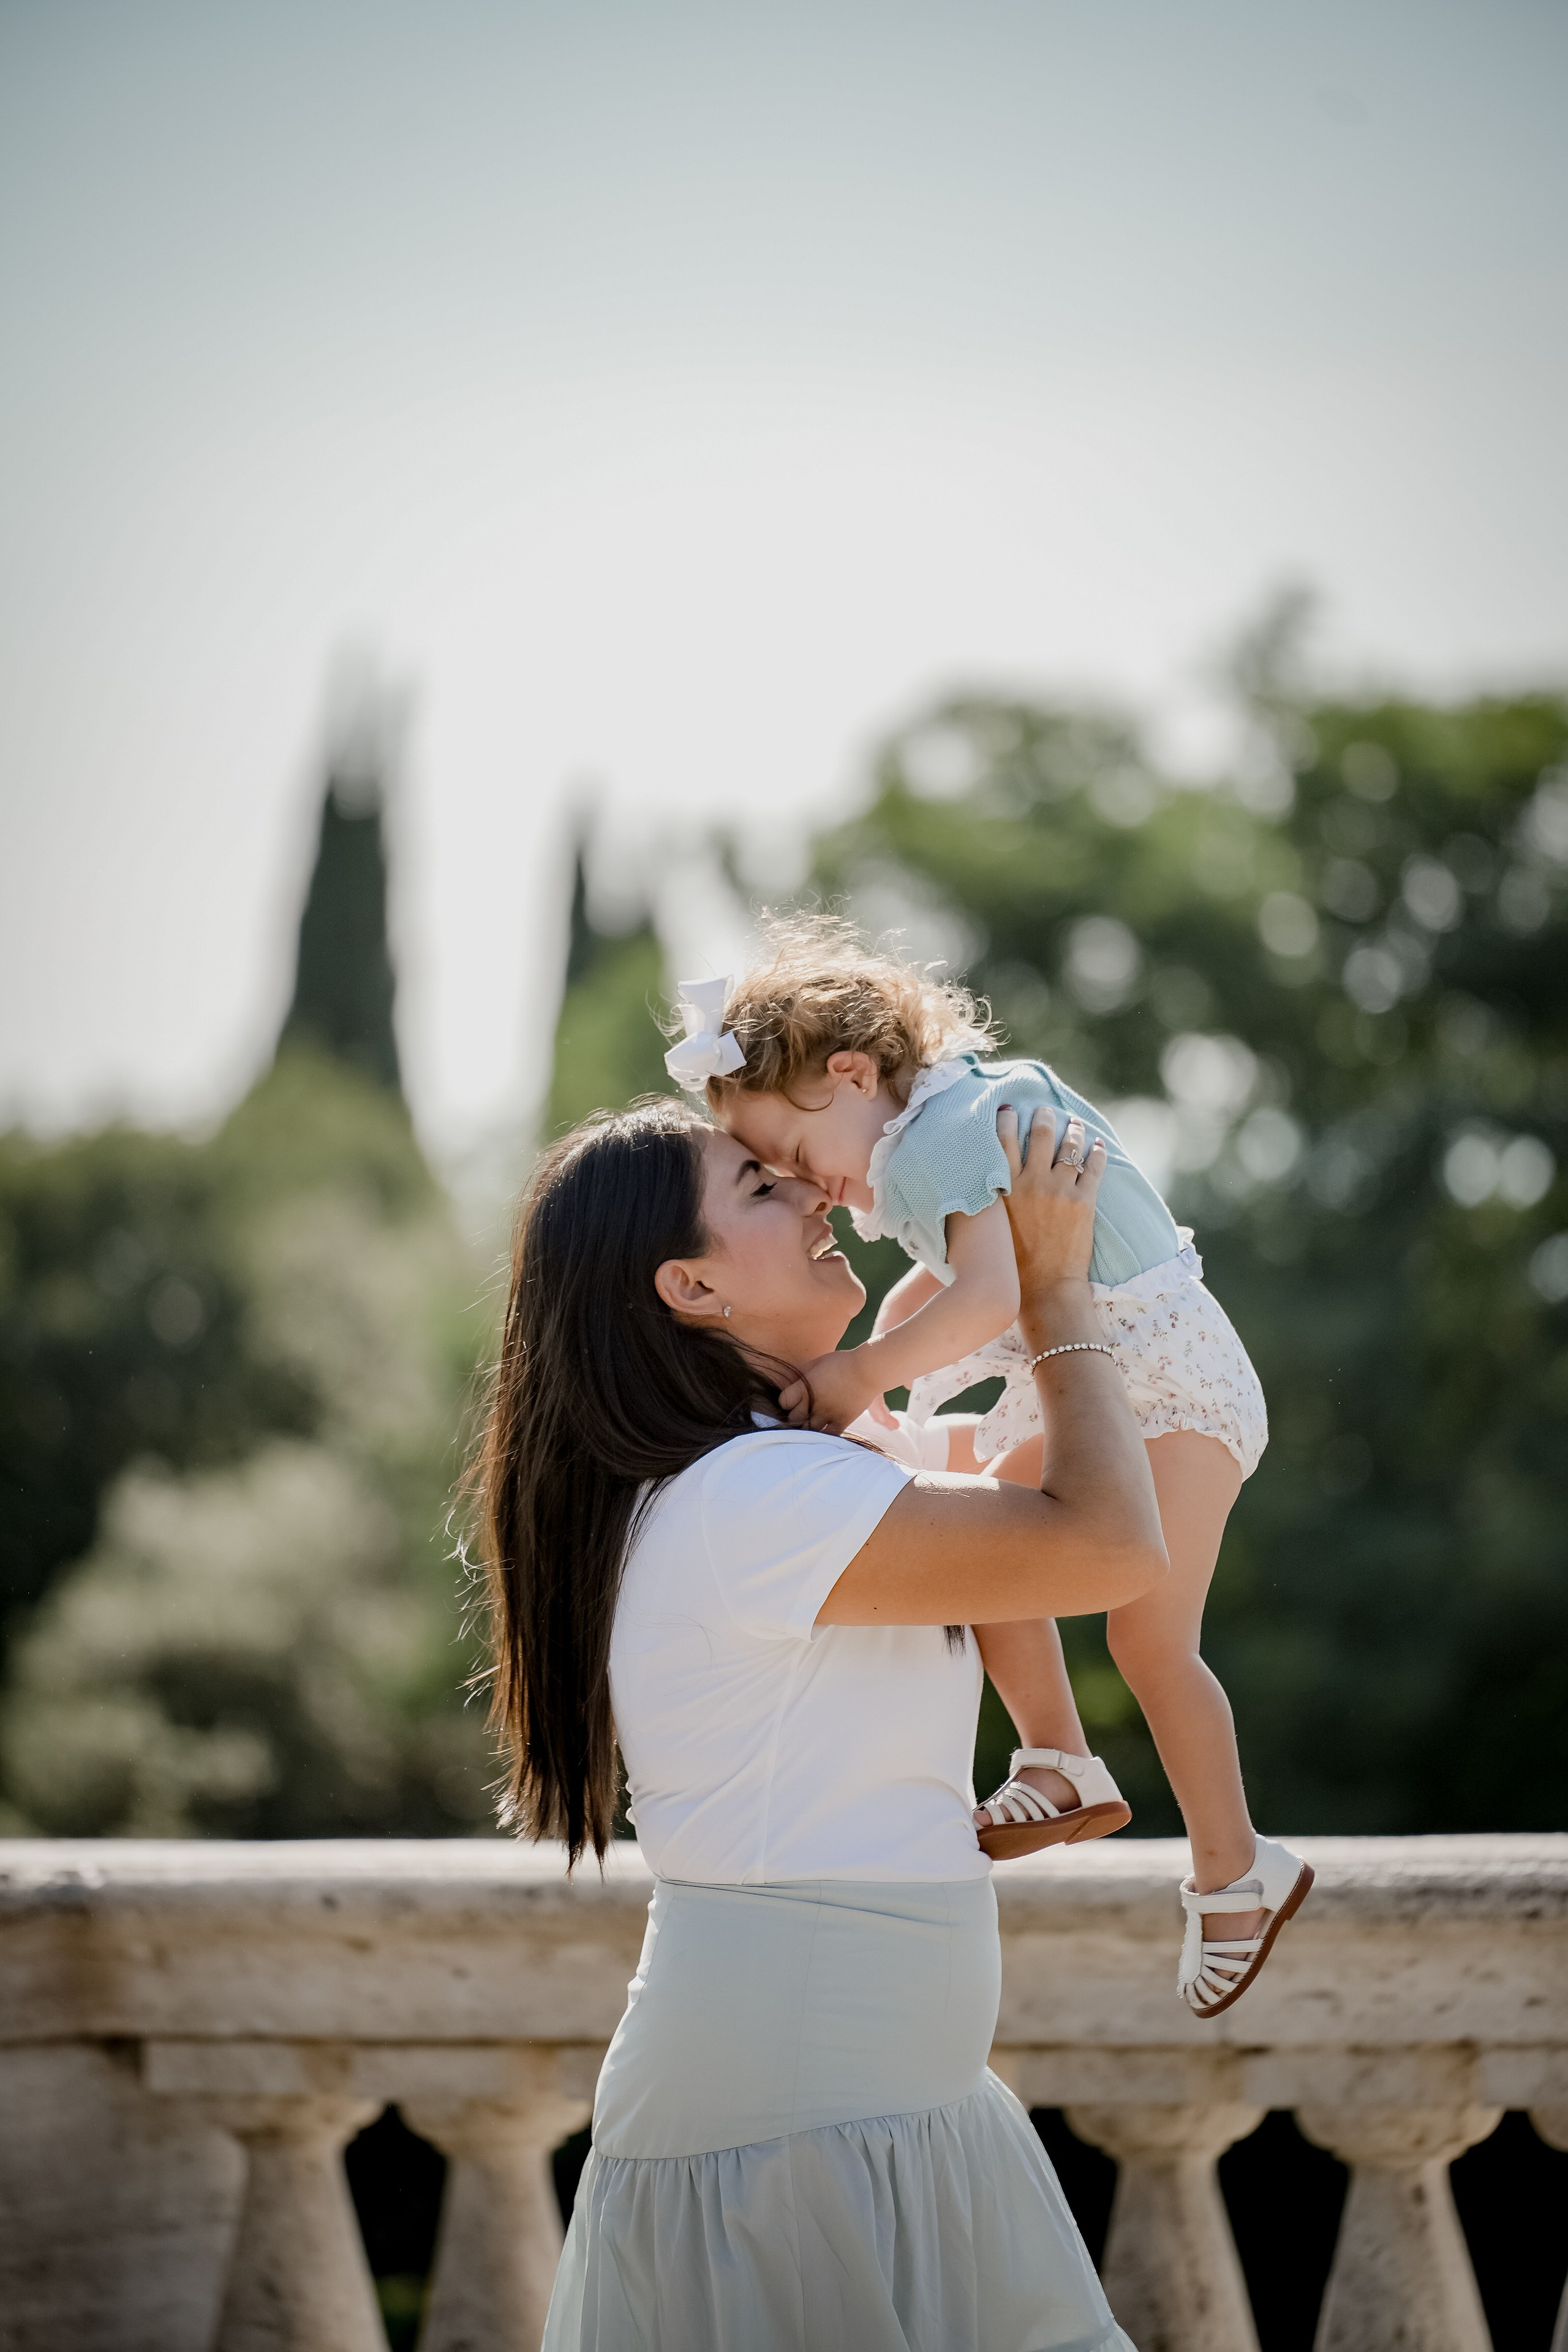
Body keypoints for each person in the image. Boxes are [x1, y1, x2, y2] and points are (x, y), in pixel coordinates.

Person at [473, 1089, 1165, 2351]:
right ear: (691, 1291)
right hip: (794, 2138)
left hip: (892, 2114)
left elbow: (1041, 1504)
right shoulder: (757, 1500)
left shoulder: (779, 1476)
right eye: (757, 1187)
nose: (811, 1189)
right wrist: (1052, 1292)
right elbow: (1109, 1546)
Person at [669, 914, 1312, 2018]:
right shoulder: (949, 1118)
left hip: (1170, 1386)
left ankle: (1237, 1867)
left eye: (795, 1156)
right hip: (1120, 1378)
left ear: (853, 1075)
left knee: (1148, 1639)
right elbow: (971, 1273)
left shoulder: (938, 1138)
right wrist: (919, 1338)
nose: (814, 1189)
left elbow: (988, 1296)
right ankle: (1059, 1756)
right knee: (997, 1540)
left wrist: (860, 1376)